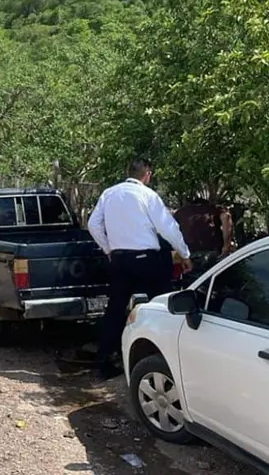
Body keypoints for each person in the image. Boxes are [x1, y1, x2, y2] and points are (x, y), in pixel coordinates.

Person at [86, 158, 192, 380]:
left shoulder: (109, 194)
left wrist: (108, 249)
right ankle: (166, 361)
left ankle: (102, 364)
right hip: (148, 260)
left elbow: (93, 225)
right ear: (148, 175)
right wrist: (184, 254)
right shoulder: (148, 195)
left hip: (120, 260)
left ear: (128, 172)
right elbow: (168, 227)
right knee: (163, 307)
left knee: (115, 310)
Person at [173, 196, 234, 281]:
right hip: (210, 251)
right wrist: (226, 246)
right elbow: (226, 217)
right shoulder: (213, 209)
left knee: (192, 282)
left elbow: (172, 233)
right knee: (213, 281)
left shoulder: (180, 212)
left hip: (188, 254)